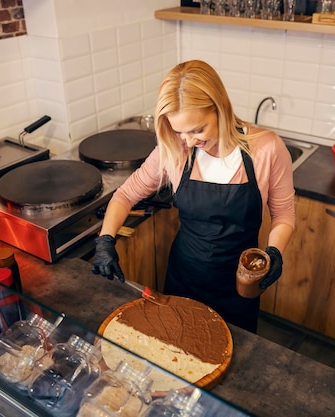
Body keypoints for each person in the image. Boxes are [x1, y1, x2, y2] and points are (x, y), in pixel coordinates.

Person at [91, 60, 295, 333]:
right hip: (183, 279)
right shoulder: (174, 148)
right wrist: (106, 240)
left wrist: (274, 253)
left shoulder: (267, 149)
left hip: (239, 285)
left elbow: (284, 215)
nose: (187, 141)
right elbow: (125, 195)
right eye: (179, 131)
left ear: (220, 107)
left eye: (197, 130)